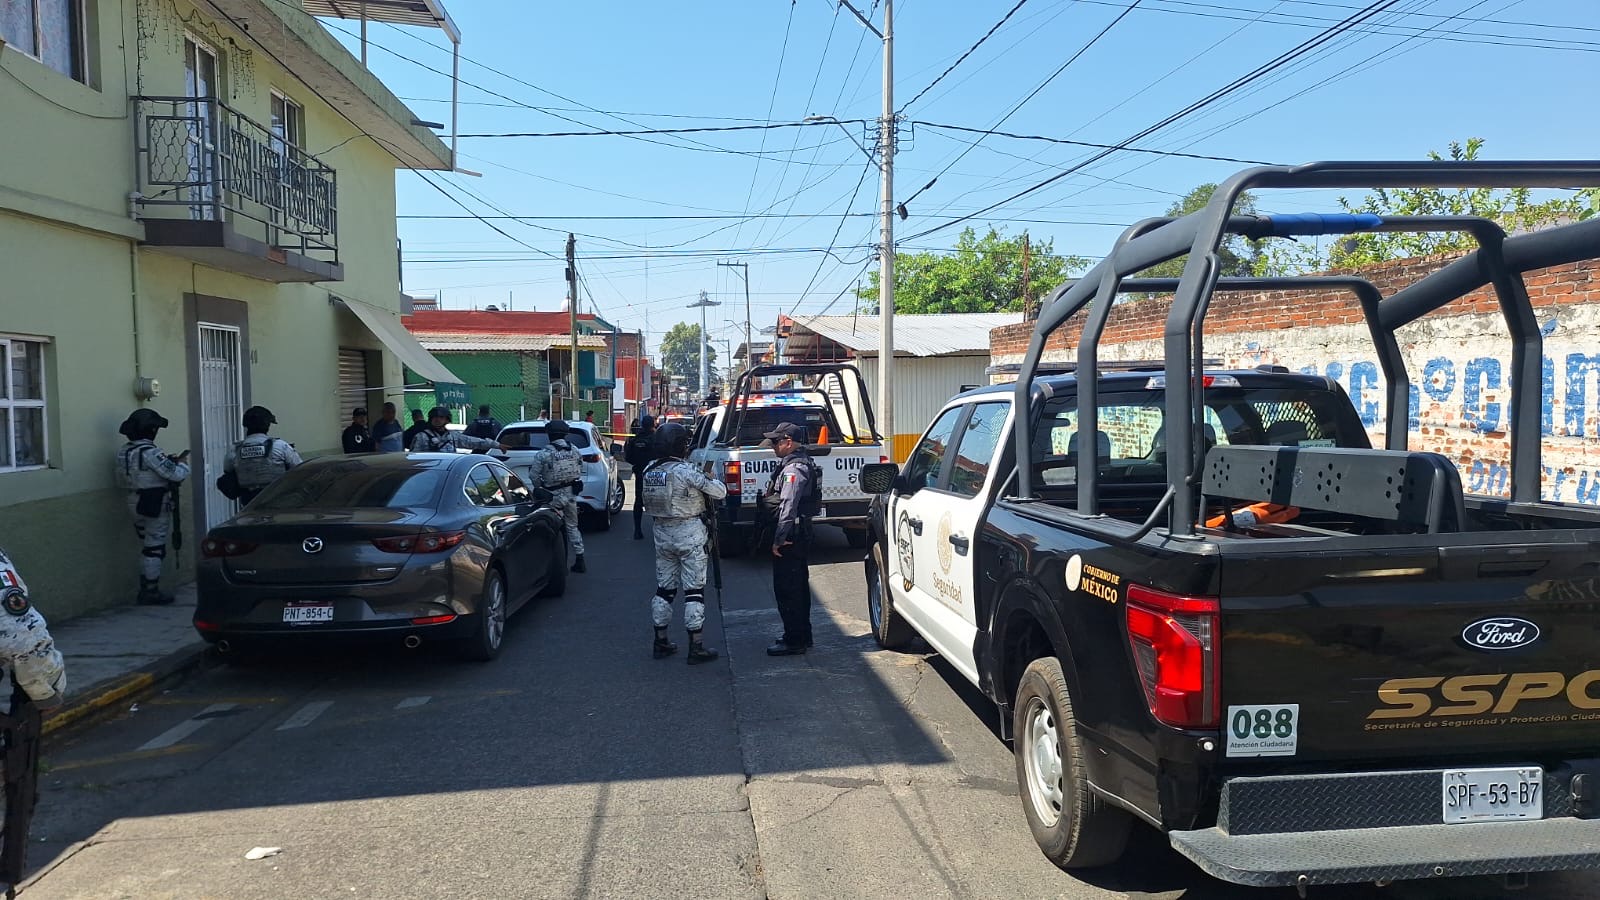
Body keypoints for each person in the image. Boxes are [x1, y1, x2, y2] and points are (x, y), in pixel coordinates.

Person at [640, 421, 726, 664]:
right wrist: (710, 478)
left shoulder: (650, 470)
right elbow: (719, 492)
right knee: (694, 591)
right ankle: (696, 646)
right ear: (680, 445)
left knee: (664, 589)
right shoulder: (686, 471)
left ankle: (661, 641)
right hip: (689, 532)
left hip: (661, 532)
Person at [115, 409, 190, 605]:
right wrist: (182, 464)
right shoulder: (150, 452)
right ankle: (150, 590)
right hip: (153, 501)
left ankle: (147, 587)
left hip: (133, 499)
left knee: (146, 545)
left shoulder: (125, 451)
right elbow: (176, 474)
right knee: (154, 548)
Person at [763, 422, 822, 656]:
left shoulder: (794, 469)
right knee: (796, 588)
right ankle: (801, 636)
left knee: (788, 590)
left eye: (776, 441)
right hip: (795, 534)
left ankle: (794, 640)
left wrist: (780, 538)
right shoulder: (793, 464)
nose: (773, 446)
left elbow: (788, 504)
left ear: (788, 442)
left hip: (791, 537)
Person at [526, 420, 587, 573]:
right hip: (571, 494)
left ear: (549, 435)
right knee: (573, 526)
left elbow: (534, 476)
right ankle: (580, 558)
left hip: (552, 497)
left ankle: (557, 563)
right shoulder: (574, 450)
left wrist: (541, 487)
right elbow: (580, 468)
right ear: (565, 434)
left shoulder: (544, 454)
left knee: (551, 529)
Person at [223, 406, 302, 505]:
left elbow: (227, 472)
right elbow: (299, 469)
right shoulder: (281, 446)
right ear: (268, 425)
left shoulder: (235, 449)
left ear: (246, 425)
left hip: (249, 502)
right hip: (278, 499)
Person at [409, 407, 506, 454]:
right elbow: (414, 458)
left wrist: (497, 445)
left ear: (447, 420)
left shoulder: (452, 436)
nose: (437, 420)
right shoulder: (421, 437)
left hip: (448, 473)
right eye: (434, 417)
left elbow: (474, 442)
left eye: (441, 417)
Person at [624, 415, 658, 540]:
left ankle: (637, 531)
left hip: (640, 473)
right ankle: (658, 531)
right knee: (656, 500)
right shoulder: (657, 438)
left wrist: (638, 464)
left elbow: (628, 457)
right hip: (655, 474)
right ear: (652, 425)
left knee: (639, 501)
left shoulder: (635, 439)